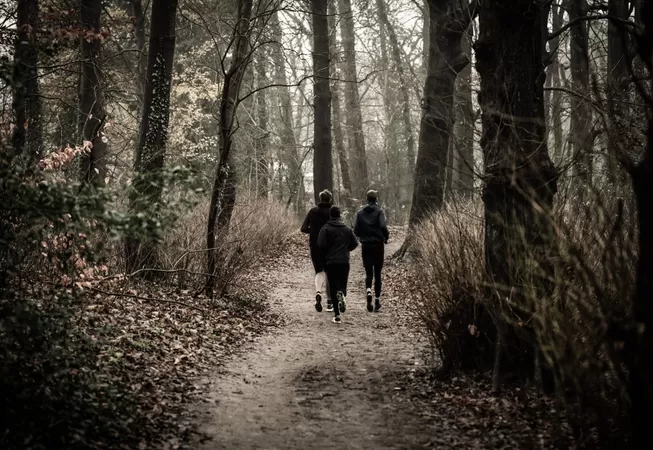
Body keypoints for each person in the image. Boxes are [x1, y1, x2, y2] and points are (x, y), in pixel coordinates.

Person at [317, 206, 358, 324]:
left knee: (333, 287)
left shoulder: (325, 228)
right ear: (340, 215)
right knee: (342, 283)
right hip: (344, 261)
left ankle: (337, 315)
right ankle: (342, 294)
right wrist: (346, 250)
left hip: (331, 261)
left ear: (330, 215)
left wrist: (326, 253)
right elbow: (355, 243)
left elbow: (320, 244)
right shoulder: (347, 229)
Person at [354, 190, 389, 312]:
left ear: (367, 199)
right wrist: (386, 237)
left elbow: (356, 230)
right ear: (376, 199)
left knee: (369, 272)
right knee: (378, 273)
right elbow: (383, 226)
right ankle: (377, 300)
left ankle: (368, 290)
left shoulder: (360, 213)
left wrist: (363, 235)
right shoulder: (379, 212)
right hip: (378, 245)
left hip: (366, 246)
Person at [301, 190, 333, 312]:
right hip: (330, 246)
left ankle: (318, 292)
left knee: (319, 272)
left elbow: (303, 228)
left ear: (320, 199)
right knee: (329, 272)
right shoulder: (332, 212)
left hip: (315, 245)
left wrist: (314, 232)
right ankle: (329, 302)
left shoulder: (313, 211)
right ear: (330, 199)